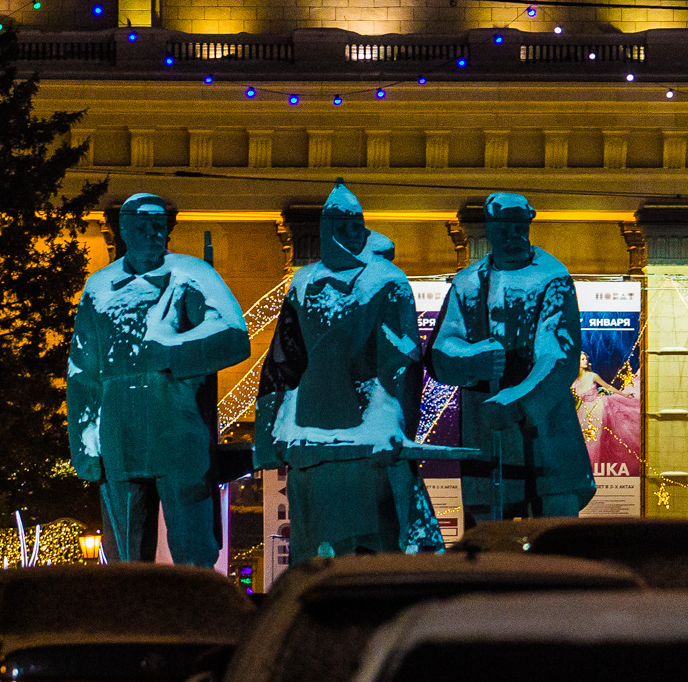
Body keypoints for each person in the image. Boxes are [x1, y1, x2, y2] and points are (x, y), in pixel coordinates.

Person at [252, 180, 441, 560]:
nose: (352, 234)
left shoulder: (387, 282)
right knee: (314, 554)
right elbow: (282, 361)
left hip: (366, 439)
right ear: (329, 229)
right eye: (344, 226)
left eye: (357, 226)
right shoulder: (303, 282)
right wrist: (267, 434)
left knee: (376, 548)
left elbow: (402, 363)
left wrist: (395, 427)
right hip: (311, 440)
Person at [65, 192, 250, 565]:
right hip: (118, 435)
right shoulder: (99, 288)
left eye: (159, 227)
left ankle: (195, 618)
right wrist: (84, 446)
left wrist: (171, 351)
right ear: (124, 231)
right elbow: (82, 372)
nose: (153, 234)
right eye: (143, 226)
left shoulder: (191, 274)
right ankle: (130, 621)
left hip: (176, 428)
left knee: (192, 548)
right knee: (125, 558)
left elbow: (233, 337)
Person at [427, 193, 594, 519]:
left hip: (546, 443)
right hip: (486, 445)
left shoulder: (552, 277)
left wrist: (518, 400)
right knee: (491, 550)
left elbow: (558, 356)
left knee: (553, 540)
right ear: (490, 229)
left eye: (520, 226)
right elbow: (440, 349)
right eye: (505, 228)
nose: (514, 235)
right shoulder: (467, 283)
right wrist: (470, 358)